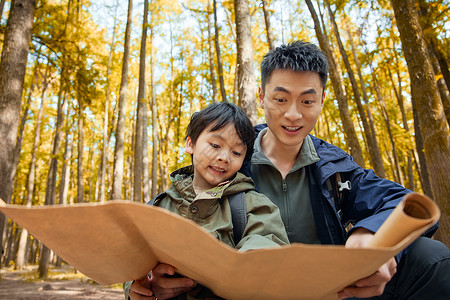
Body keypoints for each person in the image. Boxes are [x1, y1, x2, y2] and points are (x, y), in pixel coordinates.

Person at [128, 41, 450, 300]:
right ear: (262, 96)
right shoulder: (231, 157)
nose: (293, 114)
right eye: (280, 98)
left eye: (307, 101)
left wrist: (369, 237)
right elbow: (175, 216)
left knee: (432, 258)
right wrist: (148, 282)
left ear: (322, 100)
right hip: (245, 293)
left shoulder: (334, 167)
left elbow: (405, 202)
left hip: (332, 292)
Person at [124, 101, 289, 300]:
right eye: (215, 145)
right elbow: (134, 261)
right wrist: (138, 288)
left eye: (236, 152)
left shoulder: (252, 205)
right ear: (190, 143)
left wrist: (246, 265)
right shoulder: (157, 207)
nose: (224, 157)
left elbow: (268, 241)